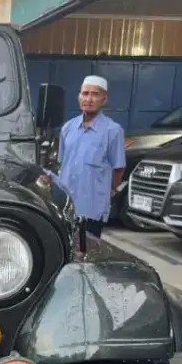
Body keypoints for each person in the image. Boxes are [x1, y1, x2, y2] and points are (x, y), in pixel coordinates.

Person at [54, 75, 126, 240]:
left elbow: (118, 168)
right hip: (66, 206)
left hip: (92, 208)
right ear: (79, 96)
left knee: (86, 253)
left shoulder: (112, 131)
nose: (89, 99)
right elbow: (63, 164)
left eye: (95, 94)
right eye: (85, 93)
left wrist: (108, 193)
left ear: (104, 99)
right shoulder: (68, 128)